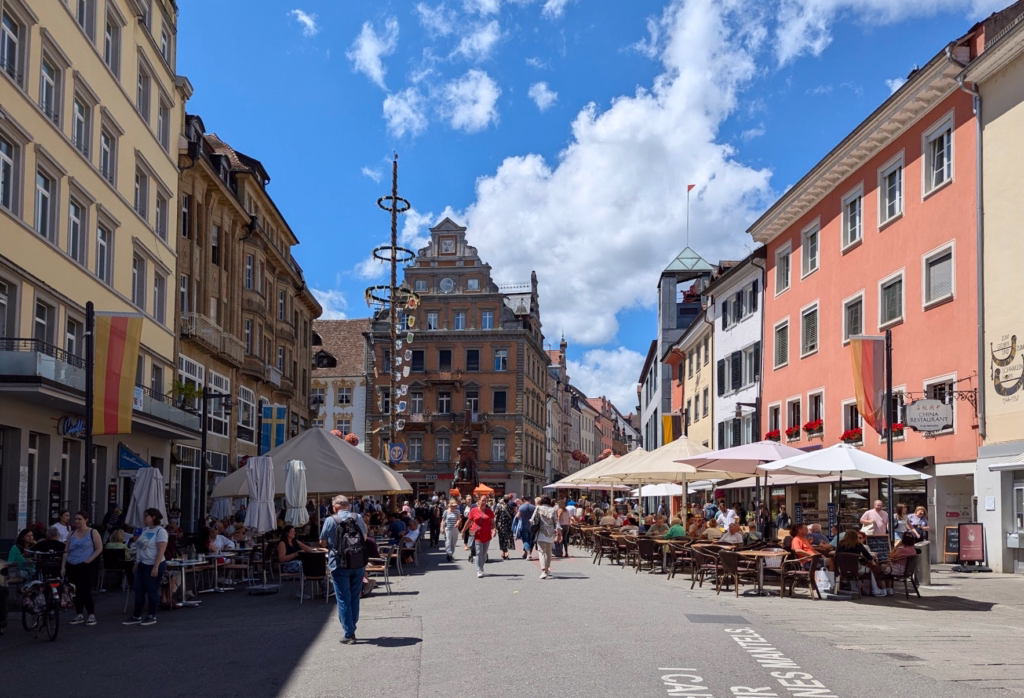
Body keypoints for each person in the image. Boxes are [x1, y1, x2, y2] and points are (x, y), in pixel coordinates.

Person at [320, 495, 368, 645]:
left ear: (334, 507)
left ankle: (349, 632)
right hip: (358, 562)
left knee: (343, 598)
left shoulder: (330, 520)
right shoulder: (358, 517)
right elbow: (365, 538)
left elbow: (322, 542)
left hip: (339, 563)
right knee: (354, 597)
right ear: (348, 505)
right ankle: (352, 626)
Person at [122, 508, 169, 626]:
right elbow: (140, 547)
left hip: (153, 563)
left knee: (152, 589)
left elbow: (161, 550)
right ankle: (136, 615)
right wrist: (137, 562)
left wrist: (156, 566)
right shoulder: (145, 530)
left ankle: (152, 615)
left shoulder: (160, 531)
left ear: (153, 517)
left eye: (146, 516)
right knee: (139, 590)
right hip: (143, 563)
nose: (144, 518)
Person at [62, 511, 103, 626]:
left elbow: (99, 548)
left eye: (79, 519)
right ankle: (79, 614)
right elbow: (66, 550)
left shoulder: (93, 532)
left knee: (85, 590)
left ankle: (91, 614)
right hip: (72, 564)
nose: (77, 521)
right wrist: (63, 566)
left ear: (86, 520)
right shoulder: (71, 533)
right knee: (74, 591)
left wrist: (89, 560)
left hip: (86, 565)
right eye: (75, 519)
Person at [837, 528, 889, 596]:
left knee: (852, 571)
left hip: (842, 569)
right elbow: (868, 556)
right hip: (856, 568)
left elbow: (836, 555)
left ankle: (854, 588)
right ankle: (875, 590)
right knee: (870, 571)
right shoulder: (858, 545)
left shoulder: (840, 544)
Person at [531, 496, 560, 579]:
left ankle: (544, 570)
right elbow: (556, 522)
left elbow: (532, 520)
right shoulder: (553, 510)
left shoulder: (538, 508)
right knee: (548, 553)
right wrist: (558, 531)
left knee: (541, 552)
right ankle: (547, 569)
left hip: (541, 532)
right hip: (551, 534)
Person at [467, 497, 495, 578]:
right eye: (482, 500)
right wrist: (463, 530)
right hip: (477, 534)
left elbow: (492, 522)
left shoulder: (489, 511)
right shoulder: (473, 511)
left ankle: (481, 567)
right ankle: (479, 570)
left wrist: (494, 529)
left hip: (487, 535)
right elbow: (469, 521)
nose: (483, 502)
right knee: (478, 552)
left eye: (485, 501)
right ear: (478, 501)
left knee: (484, 553)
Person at [518, 496, 537, 560]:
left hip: (524, 525)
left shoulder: (522, 507)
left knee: (525, 540)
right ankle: (526, 553)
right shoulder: (533, 507)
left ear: (524, 500)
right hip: (532, 526)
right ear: (530, 499)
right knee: (529, 540)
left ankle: (528, 554)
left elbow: (518, 516)